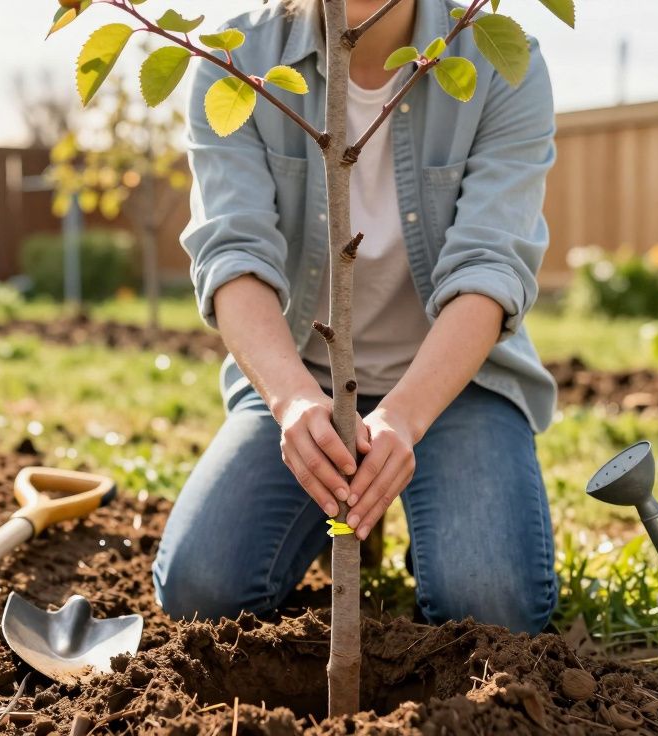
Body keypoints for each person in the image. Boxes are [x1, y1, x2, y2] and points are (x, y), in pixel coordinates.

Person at [152, 0, 559, 634]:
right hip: (304, 380)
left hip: (454, 386)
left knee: (493, 606)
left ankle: (387, 495)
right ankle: (335, 519)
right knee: (203, 590)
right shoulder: (236, 64)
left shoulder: (499, 60)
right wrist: (290, 403)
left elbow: (491, 266)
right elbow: (233, 255)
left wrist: (403, 415)